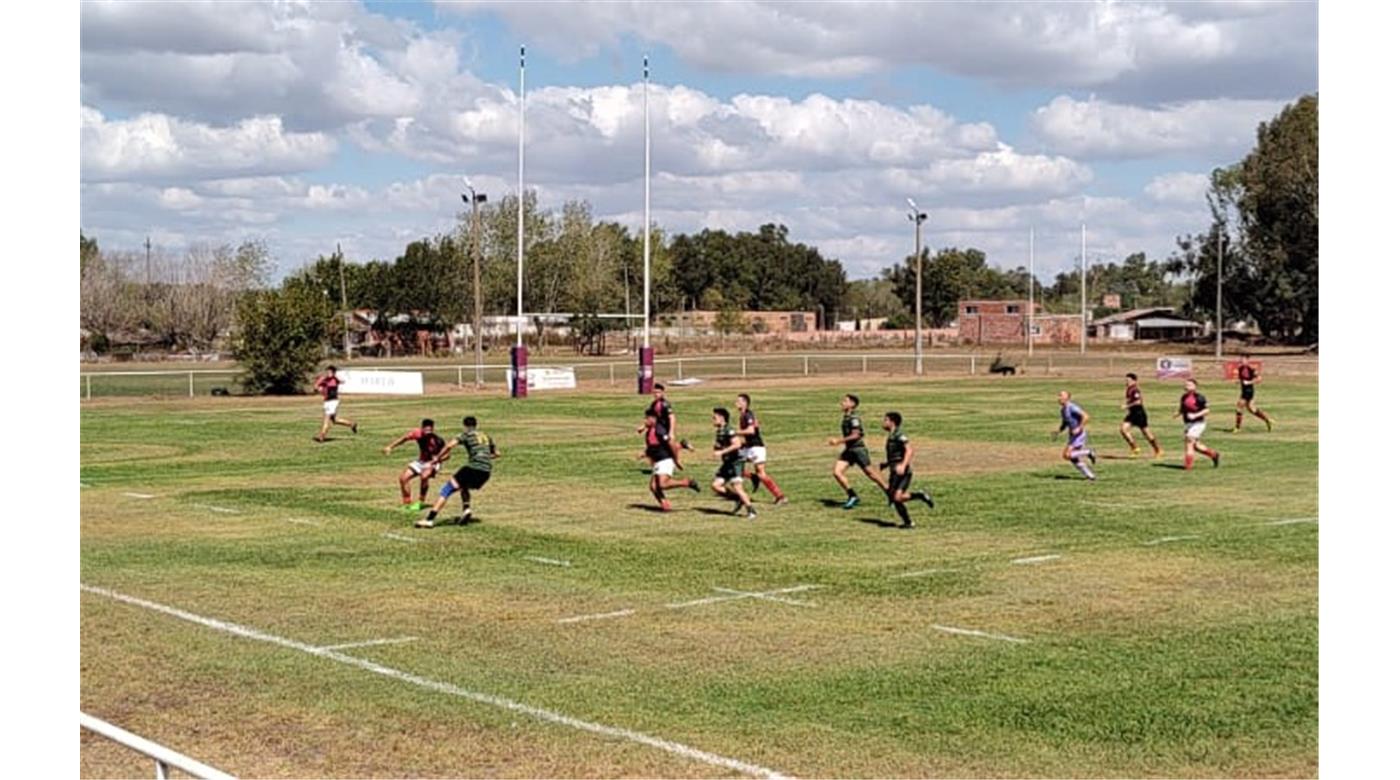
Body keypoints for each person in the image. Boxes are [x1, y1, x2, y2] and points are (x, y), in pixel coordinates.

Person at [416, 416, 498, 528]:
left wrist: (437, 458)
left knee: (447, 489)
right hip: (486, 471)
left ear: (464, 425)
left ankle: (429, 520)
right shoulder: (486, 436)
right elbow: (496, 454)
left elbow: (449, 445)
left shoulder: (465, 435)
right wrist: (482, 456)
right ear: (476, 425)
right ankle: (466, 510)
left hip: (473, 468)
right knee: (463, 487)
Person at [828, 394, 887, 509]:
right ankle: (852, 496)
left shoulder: (854, 418)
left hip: (858, 450)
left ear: (852, 404)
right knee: (837, 472)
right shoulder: (846, 417)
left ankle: (891, 494)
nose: (842, 403)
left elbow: (856, 435)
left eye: (845, 401)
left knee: (872, 475)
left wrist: (839, 441)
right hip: (849, 450)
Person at [879, 411, 934, 529]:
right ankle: (908, 522)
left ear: (892, 422)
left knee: (896, 498)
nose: (883, 422)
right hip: (894, 471)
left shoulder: (899, 434)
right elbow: (896, 455)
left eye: (885, 420)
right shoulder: (892, 435)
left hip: (903, 472)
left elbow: (909, 450)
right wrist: (887, 464)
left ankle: (919, 495)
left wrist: (903, 465)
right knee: (895, 499)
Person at [639, 409, 699, 511]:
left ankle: (686, 482)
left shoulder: (659, 430)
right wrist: (645, 454)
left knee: (662, 484)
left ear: (653, 419)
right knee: (653, 487)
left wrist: (676, 460)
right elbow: (653, 448)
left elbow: (671, 444)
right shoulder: (649, 432)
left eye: (647, 418)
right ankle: (665, 504)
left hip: (665, 459)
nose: (645, 421)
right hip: (658, 461)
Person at [382, 419, 448, 511]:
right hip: (421, 461)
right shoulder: (417, 433)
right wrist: (390, 447)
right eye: (426, 430)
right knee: (403, 478)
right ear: (422, 428)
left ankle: (420, 502)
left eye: (430, 431)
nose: (428, 433)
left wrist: (438, 459)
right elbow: (404, 438)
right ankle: (407, 503)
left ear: (433, 429)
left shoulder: (438, 440)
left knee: (424, 476)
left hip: (433, 463)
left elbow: (447, 455)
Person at [735, 393, 786, 505]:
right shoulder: (743, 415)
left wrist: (735, 433)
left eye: (738, 401)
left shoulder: (748, 415)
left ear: (745, 403)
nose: (736, 403)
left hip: (756, 448)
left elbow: (751, 431)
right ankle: (755, 479)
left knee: (760, 473)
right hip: (752, 447)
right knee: (735, 464)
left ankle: (780, 497)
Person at [710, 407, 757, 520]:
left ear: (722, 418)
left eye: (714, 418)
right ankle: (737, 499)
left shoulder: (729, 430)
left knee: (738, 487)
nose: (712, 420)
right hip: (727, 463)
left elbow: (737, 444)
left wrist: (722, 451)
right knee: (716, 486)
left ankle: (751, 510)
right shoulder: (720, 431)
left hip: (735, 463)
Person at [1174, 378, 1221, 470]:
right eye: (1186, 384)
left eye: (1189, 385)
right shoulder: (1183, 397)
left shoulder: (1199, 397)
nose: (1186, 386)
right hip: (1188, 424)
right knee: (1196, 446)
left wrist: (1195, 415)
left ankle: (1188, 467)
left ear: (1195, 387)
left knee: (1189, 441)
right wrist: (1178, 413)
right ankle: (1214, 455)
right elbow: (1183, 408)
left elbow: (1207, 410)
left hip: (1198, 423)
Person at [1055, 391, 1097, 481]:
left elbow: (1086, 416)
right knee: (1073, 458)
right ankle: (1090, 476)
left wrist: (1079, 428)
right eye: (1059, 396)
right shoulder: (1063, 410)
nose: (1059, 398)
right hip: (1073, 435)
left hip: (1079, 434)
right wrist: (1059, 430)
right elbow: (1065, 422)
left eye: (1061, 396)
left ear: (1067, 398)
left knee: (1067, 455)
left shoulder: (1072, 407)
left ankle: (1089, 452)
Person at [1119, 373, 1163, 458]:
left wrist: (1126, 406)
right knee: (1123, 429)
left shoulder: (1135, 390)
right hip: (1132, 414)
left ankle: (1158, 450)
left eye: (1128, 380)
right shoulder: (1129, 389)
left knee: (1146, 433)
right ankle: (1135, 448)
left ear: (1134, 381)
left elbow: (1139, 402)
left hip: (1139, 414)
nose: (1126, 382)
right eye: (1126, 380)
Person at [313, 365, 357, 442]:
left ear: (333, 372)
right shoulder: (324, 379)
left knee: (326, 418)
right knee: (334, 420)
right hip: (326, 401)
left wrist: (335, 376)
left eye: (330, 372)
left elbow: (343, 381)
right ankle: (352, 424)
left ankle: (322, 436)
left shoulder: (335, 379)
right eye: (327, 371)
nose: (328, 373)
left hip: (333, 401)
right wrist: (319, 387)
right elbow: (316, 387)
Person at [1232, 353, 1275, 433]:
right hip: (1244, 390)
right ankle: (1267, 420)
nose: (1241, 360)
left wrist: (1249, 382)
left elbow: (1259, 379)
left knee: (1239, 406)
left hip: (1249, 391)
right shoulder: (1240, 368)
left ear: (1248, 360)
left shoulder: (1251, 368)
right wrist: (1239, 382)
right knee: (1252, 409)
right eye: (1241, 359)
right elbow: (1242, 379)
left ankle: (1237, 428)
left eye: (1243, 359)